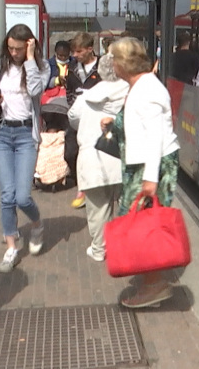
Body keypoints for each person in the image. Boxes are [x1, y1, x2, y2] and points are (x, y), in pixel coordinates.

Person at [103, 37, 180, 308]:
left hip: (150, 165)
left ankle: (155, 285)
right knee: (140, 225)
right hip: (145, 164)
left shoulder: (146, 88)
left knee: (142, 226)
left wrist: (150, 178)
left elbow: (155, 136)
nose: (111, 64)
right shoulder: (142, 85)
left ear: (124, 63)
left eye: (114, 59)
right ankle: (152, 281)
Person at [0, 24, 50, 273]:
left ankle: (37, 223)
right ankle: (11, 246)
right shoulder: (1, 65)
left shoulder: (41, 67)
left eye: (19, 49)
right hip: (1, 133)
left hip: (25, 136)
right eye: (10, 48)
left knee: (23, 196)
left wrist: (30, 59)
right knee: (7, 195)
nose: (14, 53)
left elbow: (35, 90)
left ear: (30, 45)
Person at [67, 52, 129, 262]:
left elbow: (73, 118)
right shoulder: (131, 93)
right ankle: (126, 245)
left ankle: (99, 248)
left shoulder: (86, 97)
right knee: (127, 205)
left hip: (92, 158)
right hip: (124, 157)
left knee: (97, 209)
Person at [65, 31, 101, 208]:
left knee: (97, 154)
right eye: (73, 52)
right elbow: (69, 93)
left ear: (90, 49)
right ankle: (82, 183)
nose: (74, 55)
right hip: (77, 120)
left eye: (78, 51)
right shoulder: (71, 70)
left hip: (98, 120)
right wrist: (75, 106)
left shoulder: (103, 66)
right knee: (70, 153)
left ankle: (88, 189)